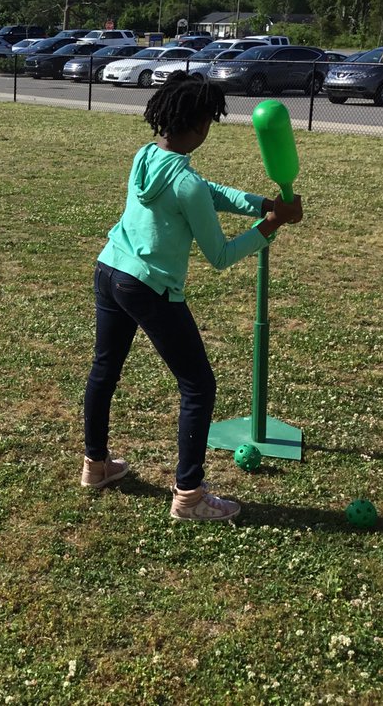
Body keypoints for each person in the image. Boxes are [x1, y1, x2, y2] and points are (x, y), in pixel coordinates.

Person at [79, 75, 303, 521]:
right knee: (198, 386)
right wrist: (272, 225)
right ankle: (189, 494)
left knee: (104, 370)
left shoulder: (145, 156)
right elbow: (220, 254)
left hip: (109, 271)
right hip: (148, 287)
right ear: (201, 124)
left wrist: (261, 203)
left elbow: (207, 192)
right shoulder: (187, 184)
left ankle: (96, 465)